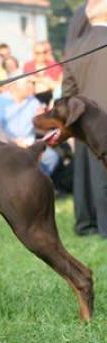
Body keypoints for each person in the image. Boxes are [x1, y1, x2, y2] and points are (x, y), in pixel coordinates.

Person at [62, 0, 107, 238]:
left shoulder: (73, 48)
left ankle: (85, 223)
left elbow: (67, 93)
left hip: (82, 118)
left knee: (84, 174)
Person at [0, 79, 59, 176]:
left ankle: (37, 184)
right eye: (27, 85)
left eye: (30, 84)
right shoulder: (0, 102)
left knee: (51, 157)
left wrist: (42, 118)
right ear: (15, 87)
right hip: (7, 143)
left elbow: (40, 125)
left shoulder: (33, 101)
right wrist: (15, 141)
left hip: (29, 142)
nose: (30, 87)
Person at [23, 41, 62, 105]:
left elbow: (59, 87)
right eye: (38, 53)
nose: (41, 55)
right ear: (33, 53)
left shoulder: (55, 66)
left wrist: (36, 80)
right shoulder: (28, 65)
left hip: (51, 99)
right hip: (33, 101)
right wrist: (45, 81)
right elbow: (27, 84)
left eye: (44, 52)